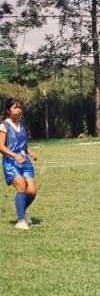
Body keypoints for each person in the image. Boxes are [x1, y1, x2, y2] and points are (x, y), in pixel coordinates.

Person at [0, 98, 38, 230]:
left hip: (24, 161)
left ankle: (20, 209)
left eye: (19, 107)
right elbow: (1, 147)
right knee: (21, 186)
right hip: (11, 162)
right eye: (15, 108)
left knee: (32, 191)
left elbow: (23, 144)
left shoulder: (21, 124)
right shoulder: (4, 126)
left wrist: (30, 152)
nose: (18, 110)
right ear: (7, 110)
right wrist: (15, 155)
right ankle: (21, 220)